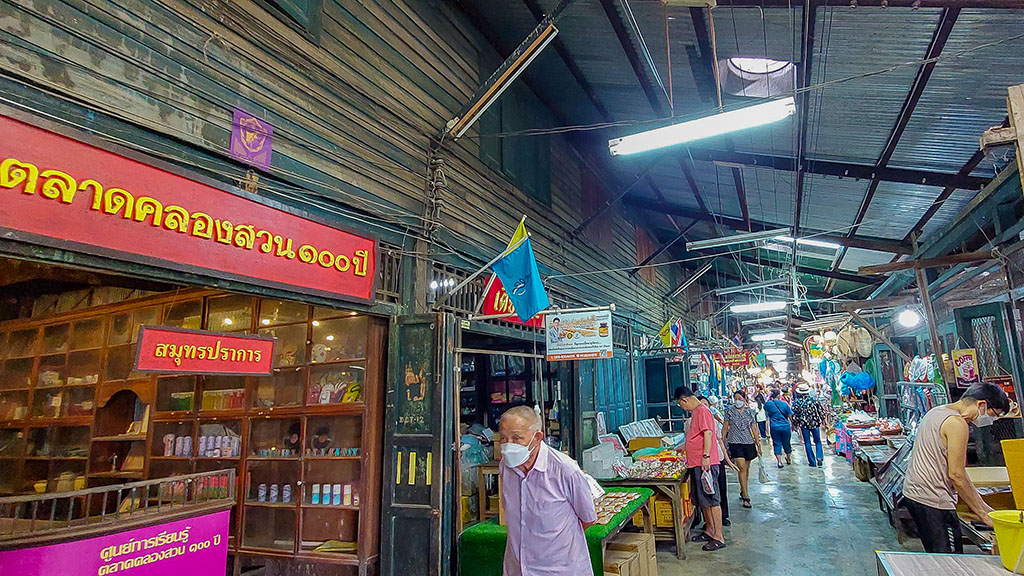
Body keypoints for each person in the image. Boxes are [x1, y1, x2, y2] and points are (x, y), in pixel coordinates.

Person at [903, 382, 1010, 553]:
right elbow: (956, 475)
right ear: (981, 404)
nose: (992, 421)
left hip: (914, 495)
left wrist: (982, 505)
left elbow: (956, 471)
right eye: (993, 415)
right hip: (934, 500)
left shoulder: (936, 412)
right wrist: (982, 514)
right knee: (950, 561)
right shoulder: (957, 424)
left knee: (938, 556)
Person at [498, 405, 597, 575]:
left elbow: (587, 519)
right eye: (503, 439)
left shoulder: (565, 469)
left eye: (516, 438)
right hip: (518, 569)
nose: (508, 446)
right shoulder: (505, 467)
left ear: (537, 438)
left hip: (559, 570)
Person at [675, 386, 726, 551]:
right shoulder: (696, 412)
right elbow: (697, 436)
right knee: (703, 500)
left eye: (681, 405)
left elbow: (708, 434)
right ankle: (709, 530)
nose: (683, 408)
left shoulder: (702, 411)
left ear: (684, 399)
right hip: (696, 462)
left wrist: (706, 457)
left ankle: (719, 536)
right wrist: (685, 446)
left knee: (712, 499)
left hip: (705, 463)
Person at [698, 395, 736, 526]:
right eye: (701, 405)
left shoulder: (713, 422)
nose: (704, 407)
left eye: (706, 405)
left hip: (716, 460)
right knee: (706, 492)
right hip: (702, 463)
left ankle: (723, 517)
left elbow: (720, 442)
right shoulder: (691, 423)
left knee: (720, 490)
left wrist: (728, 461)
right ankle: (708, 522)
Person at [722, 390, 761, 508]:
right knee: (741, 467)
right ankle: (746, 496)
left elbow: (754, 428)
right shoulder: (729, 411)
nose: (737, 401)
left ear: (745, 399)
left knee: (746, 468)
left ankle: (743, 488)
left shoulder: (750, 412)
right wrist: (722, 442)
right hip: (734, 442)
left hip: (748, 442)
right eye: (736, 398)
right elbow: (725, 428)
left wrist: (758, 444)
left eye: (740, 398)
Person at [791, 384, 826, 467]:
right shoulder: (814, 400)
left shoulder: (797, 402)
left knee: (807, 442)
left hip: (804, 425)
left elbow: (795, 415)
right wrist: (824, 421)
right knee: (817, 441)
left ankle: (812, 462)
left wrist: (795, 424)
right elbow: (821, 412)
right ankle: (819, 457)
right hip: (815, 423)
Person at [763, 389, 793, 468]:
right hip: (785, 426)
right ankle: (788, 458)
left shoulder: (768, 404)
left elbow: (765, 408)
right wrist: (793, 424)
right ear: (779, 395)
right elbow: (790, 415)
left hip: (774, 427)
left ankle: (779, 462)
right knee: (787, 443)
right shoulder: (784, 404)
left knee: (777, 443)